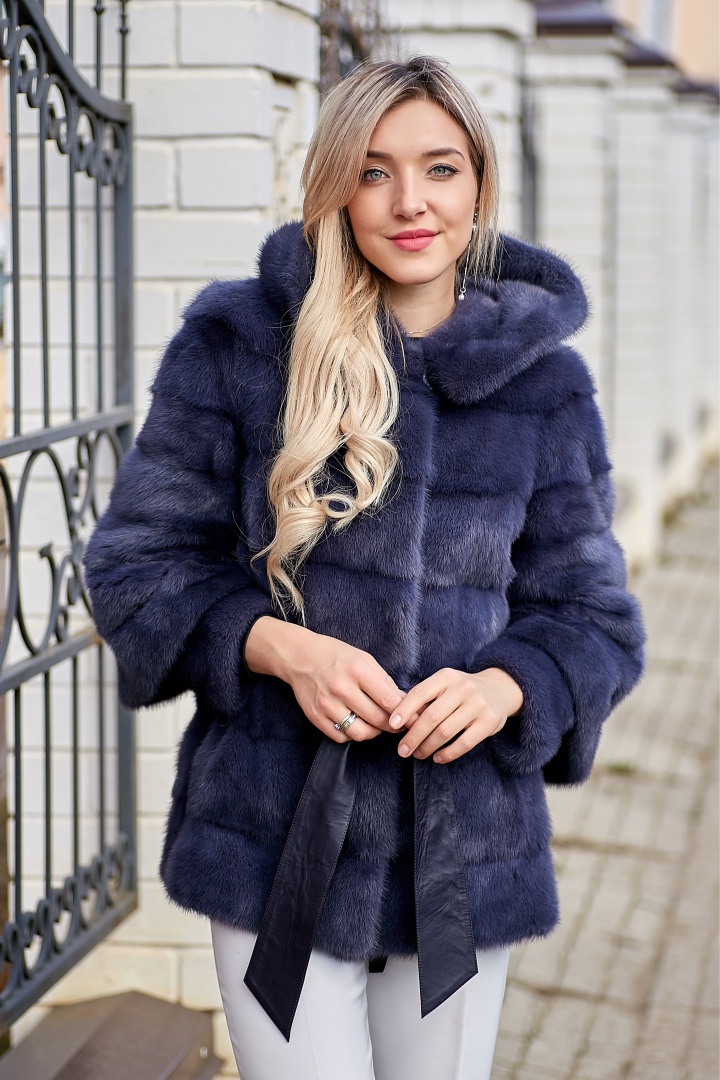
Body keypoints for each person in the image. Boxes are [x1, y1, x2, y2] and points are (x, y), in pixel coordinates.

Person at [83, 55, 646, 1080]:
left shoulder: (545, 385)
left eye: (440, 168)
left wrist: (508, 685)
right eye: (374, 171)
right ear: (336, 185)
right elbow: (137, 565)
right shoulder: (240, 346)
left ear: (479, 182)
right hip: (273, 834)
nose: (410, 202)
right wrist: (279, 648)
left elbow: (594, 617)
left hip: (462, 843)